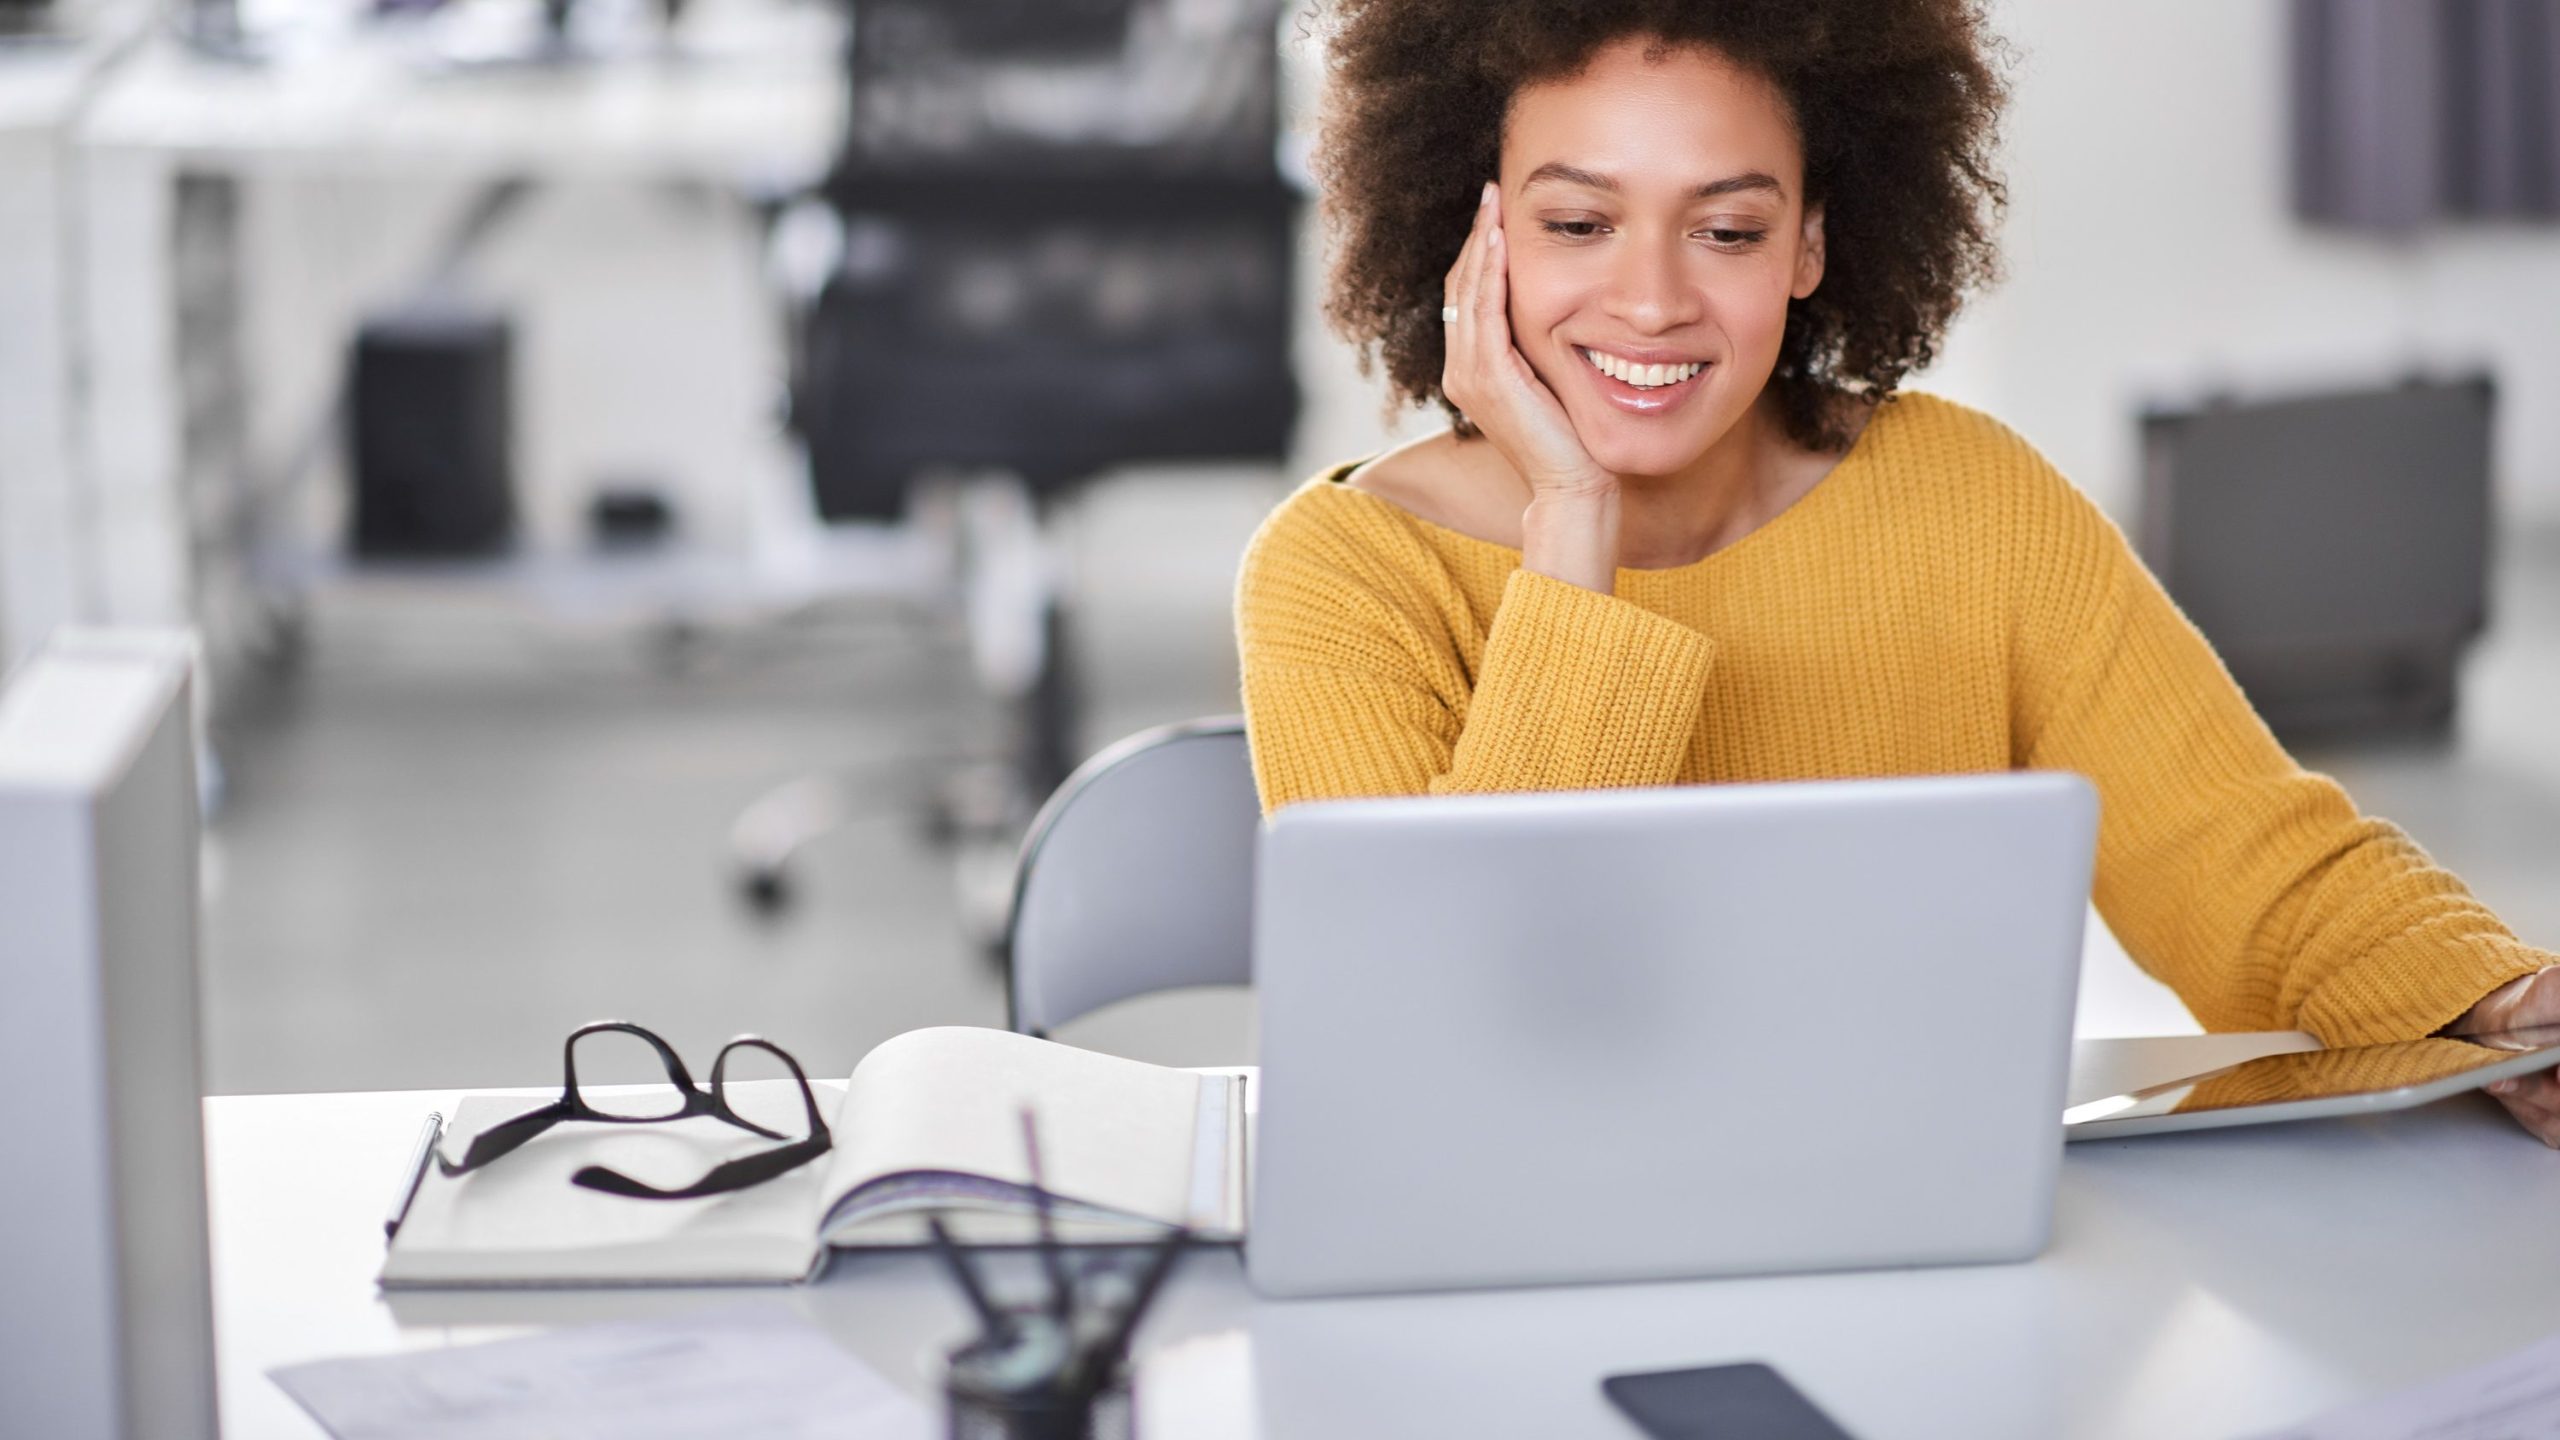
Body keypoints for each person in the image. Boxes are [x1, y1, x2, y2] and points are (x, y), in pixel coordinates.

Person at [1233, 0, 2560, 1141]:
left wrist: (2499, 1005)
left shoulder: (1969, 499)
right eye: (1579, 222)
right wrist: (1571, 527)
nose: (1650, 301)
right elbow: (1434, 1052)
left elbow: (2249, 866)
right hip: (1508, 1287)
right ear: (1478, 242)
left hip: (1935, 1253)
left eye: (1729, 231)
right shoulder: (1344, 573)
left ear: (1813, 242)